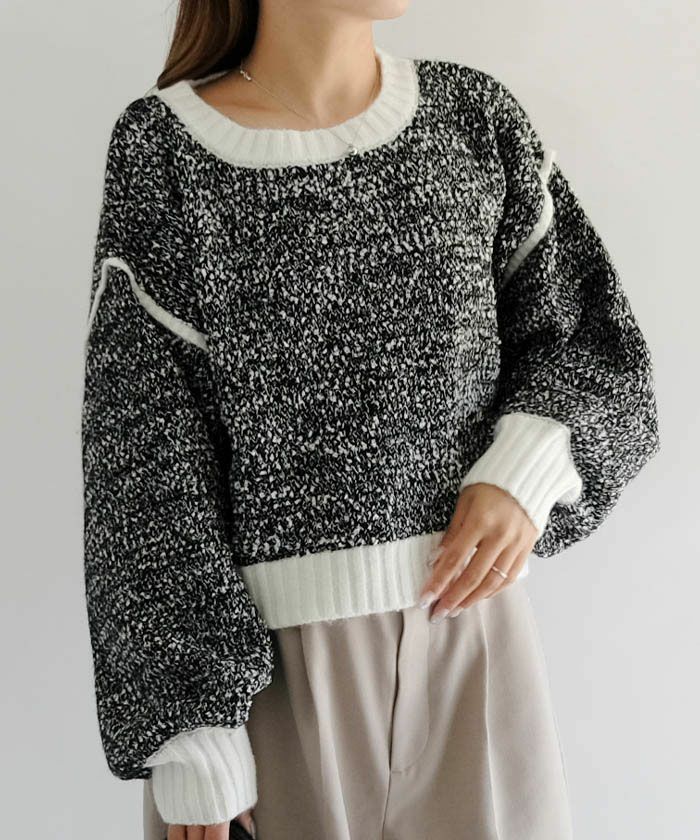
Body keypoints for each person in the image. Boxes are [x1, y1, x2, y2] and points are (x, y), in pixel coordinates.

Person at [80, 1, 661, 838]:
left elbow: (595, 342)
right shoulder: (164, 150)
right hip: (268, 690)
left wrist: (526, 471)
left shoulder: (472, 116)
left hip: (475, 648)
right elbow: (141, 451)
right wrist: (193, 734)